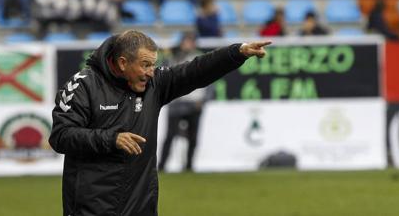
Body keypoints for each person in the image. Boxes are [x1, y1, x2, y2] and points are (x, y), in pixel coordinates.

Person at [49, 29, 271, 216]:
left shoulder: (154, 84)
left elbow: (194, 70)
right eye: (145, 65)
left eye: (153, 65)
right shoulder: (83, 86)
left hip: (141, 207)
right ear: (123, 62)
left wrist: (236, 53)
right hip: (92, 207)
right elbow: (61, 136)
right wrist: (111, 139)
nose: (150, 72)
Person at [158, 32, 208, 172]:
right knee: (170, 136)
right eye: (187, 41)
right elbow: (161, 74)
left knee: (193, 138)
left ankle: (189, 166)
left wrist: (204, 101)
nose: (189, 44)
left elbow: (210, 82)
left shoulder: (200, 58)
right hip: (176, 103)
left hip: (194, 103)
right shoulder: (172, 57)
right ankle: (162, 166)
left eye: (191, 41)